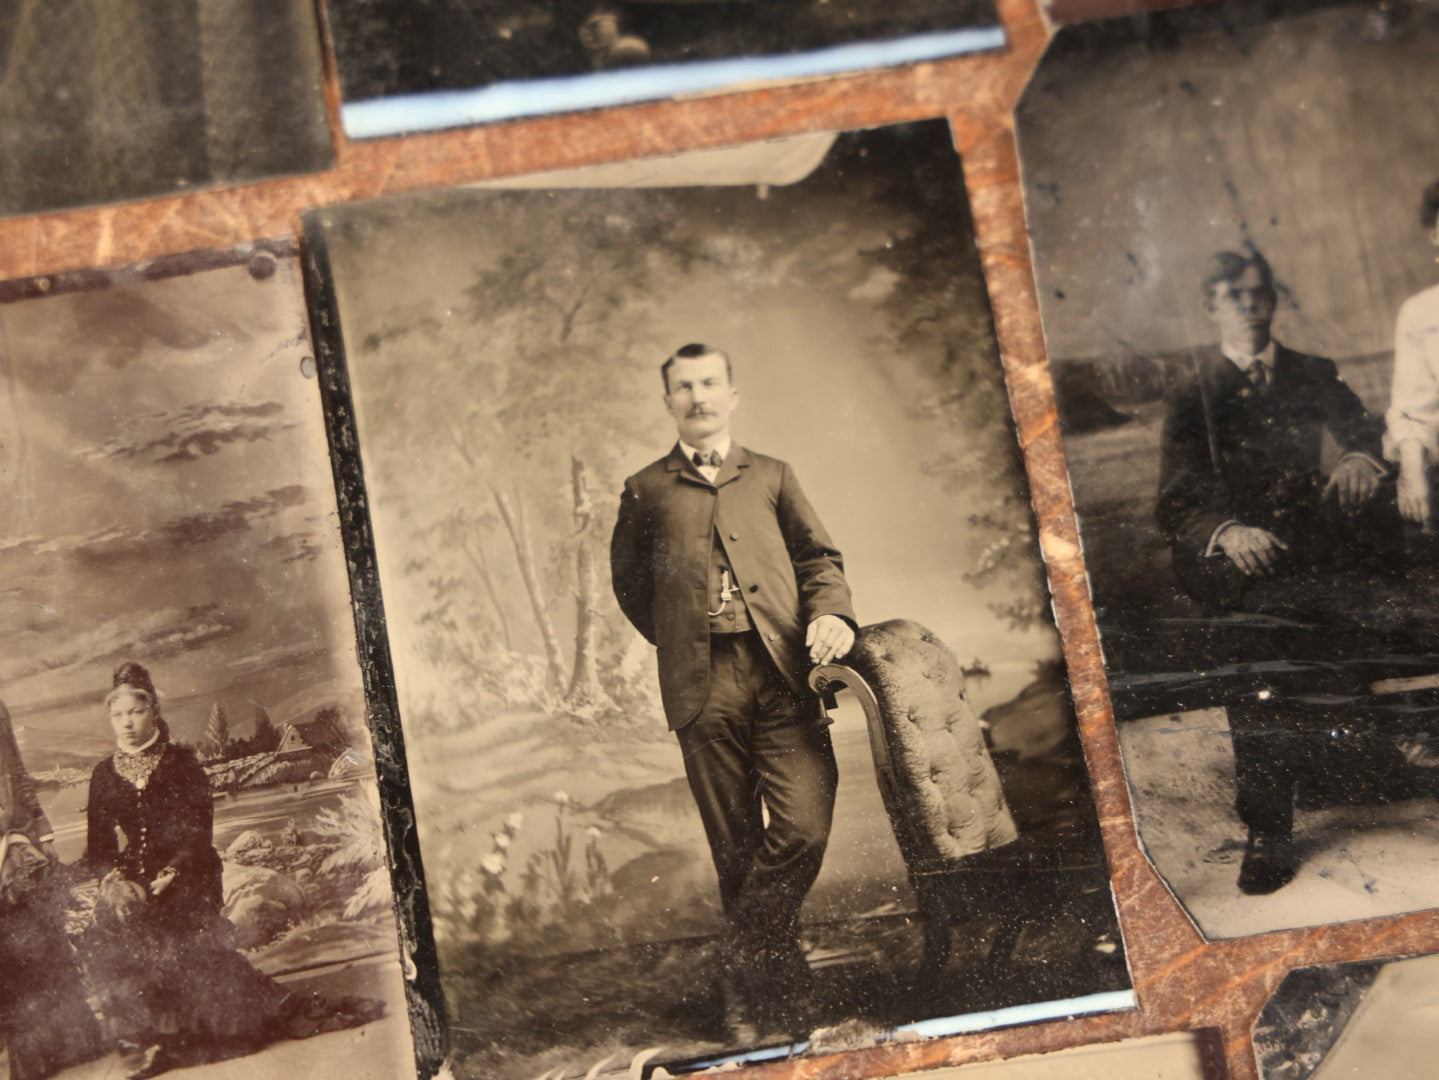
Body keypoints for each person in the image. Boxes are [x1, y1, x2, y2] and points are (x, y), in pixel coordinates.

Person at [610, 343, 856, 1039]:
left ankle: (742, 955)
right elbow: (628, 583)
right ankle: (771, 995)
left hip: (782, 674)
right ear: (668, 404)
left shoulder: (773, 475)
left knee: (803, 824)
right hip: (702, 682)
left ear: (731, 393)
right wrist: (681, 636)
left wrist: (831, 613)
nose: (698, 397)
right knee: (736, 846)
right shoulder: (645, 488)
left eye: (709, 383)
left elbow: (819, 558)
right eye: (683, 387)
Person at [1155, 249, 1394, 896]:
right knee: (1257, 653)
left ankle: (1359, 764)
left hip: (1308, 544)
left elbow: (1363, 431)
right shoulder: (1192, 393)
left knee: (1361, 612)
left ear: (1273, 301)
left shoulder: (1310, 371)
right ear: (1209, 306)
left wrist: (1355, 460)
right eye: (1231, 294)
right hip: (1233, 560)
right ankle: (1268, 828)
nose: (1247, 304)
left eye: (1257, 292)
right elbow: (1173, 502)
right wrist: (1226, 533)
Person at [81, 662, 379, 1079]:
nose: (126, 723)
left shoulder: (181, 762)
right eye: (117, 714)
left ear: (154, 712)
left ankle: (212, 1027)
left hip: (190, 870)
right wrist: (115, 881)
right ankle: (152, 1037)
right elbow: (98, 848)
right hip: (135, 875)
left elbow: (198, 831)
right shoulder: (103, 773)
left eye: (135, 712)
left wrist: (172, 872)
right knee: (105, 941)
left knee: (178, 938)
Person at [0, 697, 104, 1079]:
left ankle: (76, 1043)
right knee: (8, 955)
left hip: (20, 838)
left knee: (44, 939)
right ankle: (31, 1060)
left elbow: (18, 774)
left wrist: (43, 834)